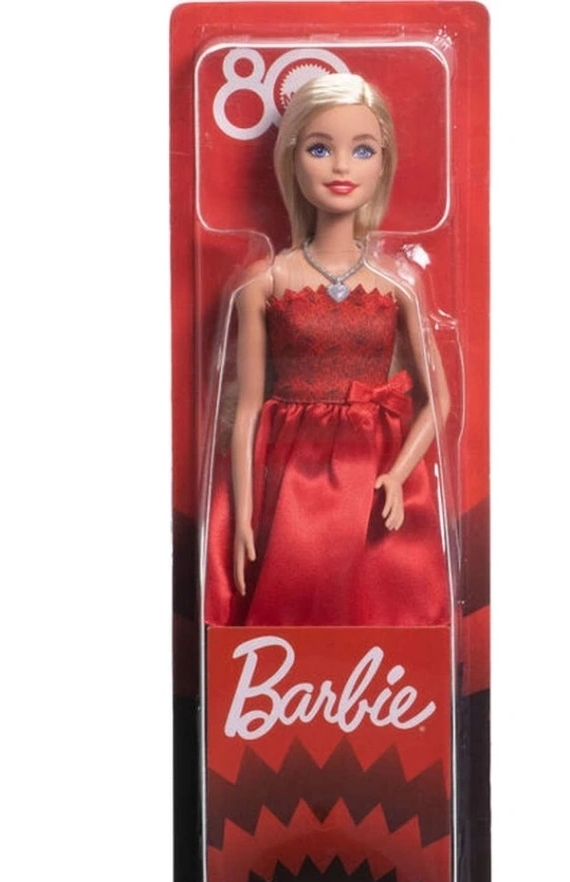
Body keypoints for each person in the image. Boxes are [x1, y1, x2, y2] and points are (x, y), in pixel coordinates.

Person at [204, 72, 451, 630]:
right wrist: (242, 513)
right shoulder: (265, 280)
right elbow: (247, 408)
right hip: (292, 466)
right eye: (320, 149)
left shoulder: (398, 285)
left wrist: (398, 473)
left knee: (383, 603)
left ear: (383, 162)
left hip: (375, 466)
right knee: (292, 591)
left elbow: (439, 401)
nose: (342, 167)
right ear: (292, 159)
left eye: (362, 150)